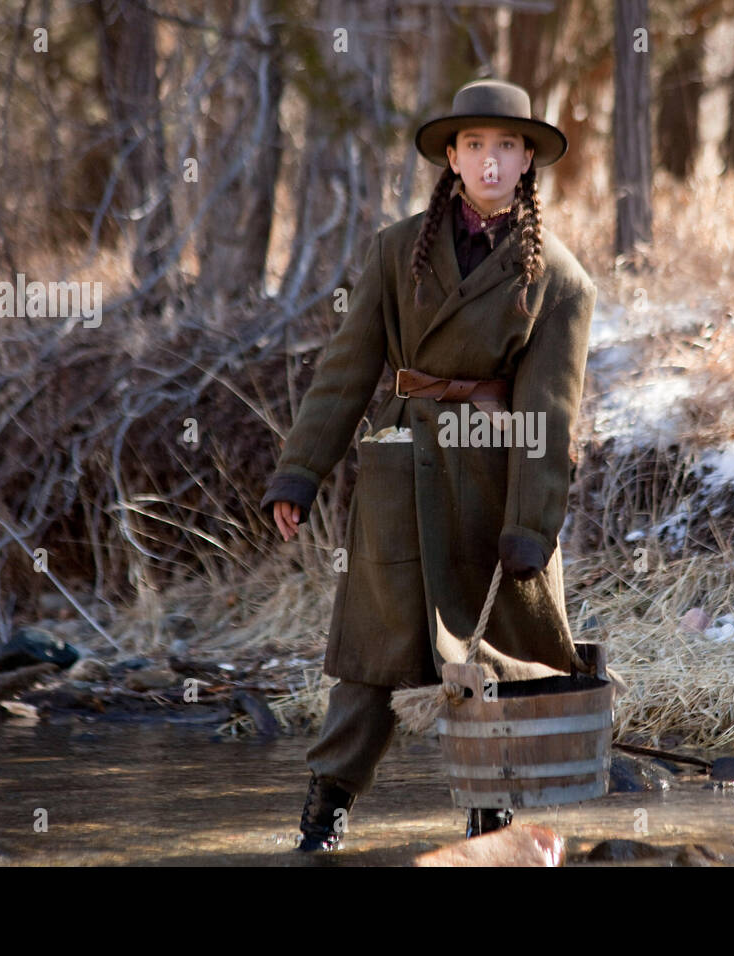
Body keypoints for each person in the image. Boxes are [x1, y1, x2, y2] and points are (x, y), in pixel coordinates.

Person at [261, 78, 598, 851]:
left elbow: (550, 417)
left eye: (506, 146)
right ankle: (324, 817)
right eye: (474, 144)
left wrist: (531, 526)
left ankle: (490, 827)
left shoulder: (562, 282)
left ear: (525, 164)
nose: (489, 160)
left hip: (491, 490)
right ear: (451, 157)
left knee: (489, 663)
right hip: (399, 476)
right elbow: (345, 373)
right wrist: (298, 474)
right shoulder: (392, 250)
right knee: (374, 659)